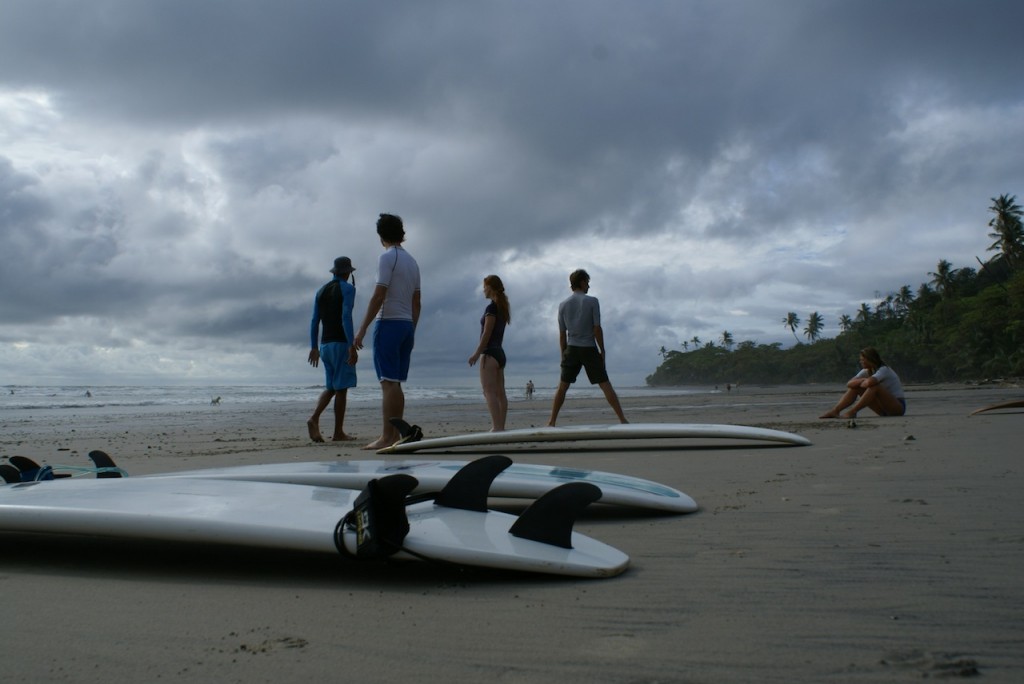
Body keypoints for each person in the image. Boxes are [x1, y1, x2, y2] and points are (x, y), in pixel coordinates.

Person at [350, 214, 421, 450]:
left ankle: (387, 437)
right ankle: (397, 434)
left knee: (388, 382)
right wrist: (412, 328)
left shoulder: (386, 258)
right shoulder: (412, 262)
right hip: (406, 325)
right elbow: (417, 302)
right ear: (401, 233)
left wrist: (362, 329)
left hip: (389, 322)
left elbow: (379, 295)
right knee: (396, 382)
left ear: (381, 237)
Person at [547, 269, 628, 426]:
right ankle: (622, 420)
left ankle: (552, 421)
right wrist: (602, 350)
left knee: (562, 386)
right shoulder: (592, 301)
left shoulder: (563, 305)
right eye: (587, 282)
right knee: (605, 384)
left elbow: (562, 334)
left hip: (571, 348)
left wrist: (563, 354)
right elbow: (597, 328)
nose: (588, 286)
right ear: (582, 282)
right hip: (589, 348)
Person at [307, 256, 358, 442]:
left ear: (334, 272)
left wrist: (314, 347)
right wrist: (352, 345)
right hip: (341, 344)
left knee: (331, 387)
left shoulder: (321, 291)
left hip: (325, 346)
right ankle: (338, 433)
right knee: (342, 389)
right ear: (348, 272)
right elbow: (346, 317)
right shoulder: (348, 289)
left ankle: (314, 418)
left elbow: (314, 321)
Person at [468, 275, 510, 431]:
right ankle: (501, 427)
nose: (483, 290)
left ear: (491, 288)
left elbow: (487, 333)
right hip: (500, 353)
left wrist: (477, 354)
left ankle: (496, 427)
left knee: (489, 391)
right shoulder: (502, 307)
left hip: (490, 354)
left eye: (484, 286)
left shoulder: (491, 308)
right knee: (500, 393)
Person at [819, 347, 906, 419]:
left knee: (875, 386)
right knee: (856, 387)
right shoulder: (866, 371)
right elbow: (849, 384)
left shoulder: (884, 369)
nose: (861, 362)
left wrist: (865, 382)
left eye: (862, 360)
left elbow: (869, 383)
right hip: (882, 409)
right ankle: (835, 411)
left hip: (897, 407)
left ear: (870, 359)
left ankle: (853, 411)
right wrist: (863, 381)